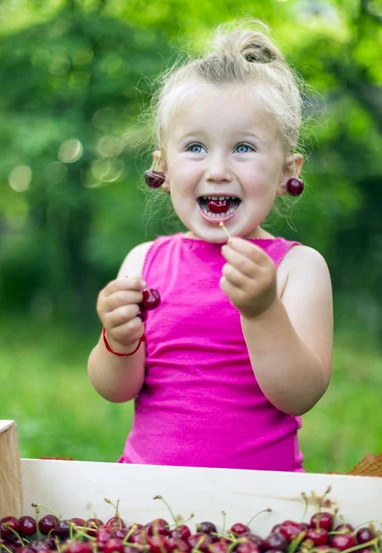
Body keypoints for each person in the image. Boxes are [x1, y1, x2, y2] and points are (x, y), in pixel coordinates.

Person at [87, 21, 333, 472]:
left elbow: (301, 394)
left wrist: (262, 312)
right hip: (149, 504)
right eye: (196, 147)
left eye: (243, 147)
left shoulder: (299, 268)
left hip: (260, 508)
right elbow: (115, 389)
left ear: (286, 170)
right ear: (162, 167)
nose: (217, 169)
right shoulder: (144, 262)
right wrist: (117, 340)